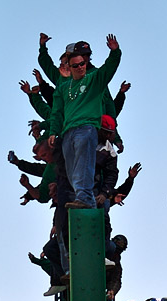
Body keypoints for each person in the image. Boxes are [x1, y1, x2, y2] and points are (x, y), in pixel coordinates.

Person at [48, 35, 121, 210]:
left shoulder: (94, 79)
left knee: (83, 164)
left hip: (86, 128)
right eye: (76, 65)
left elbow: (108, 69)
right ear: (69, 67)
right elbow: (57, 112)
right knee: (72, 169)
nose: (81, 67)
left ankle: (86, 199)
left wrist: (115, 52)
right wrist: (53, 131)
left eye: (83, 64)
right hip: (68, 131)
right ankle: (82, 197)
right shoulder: (64, 88)